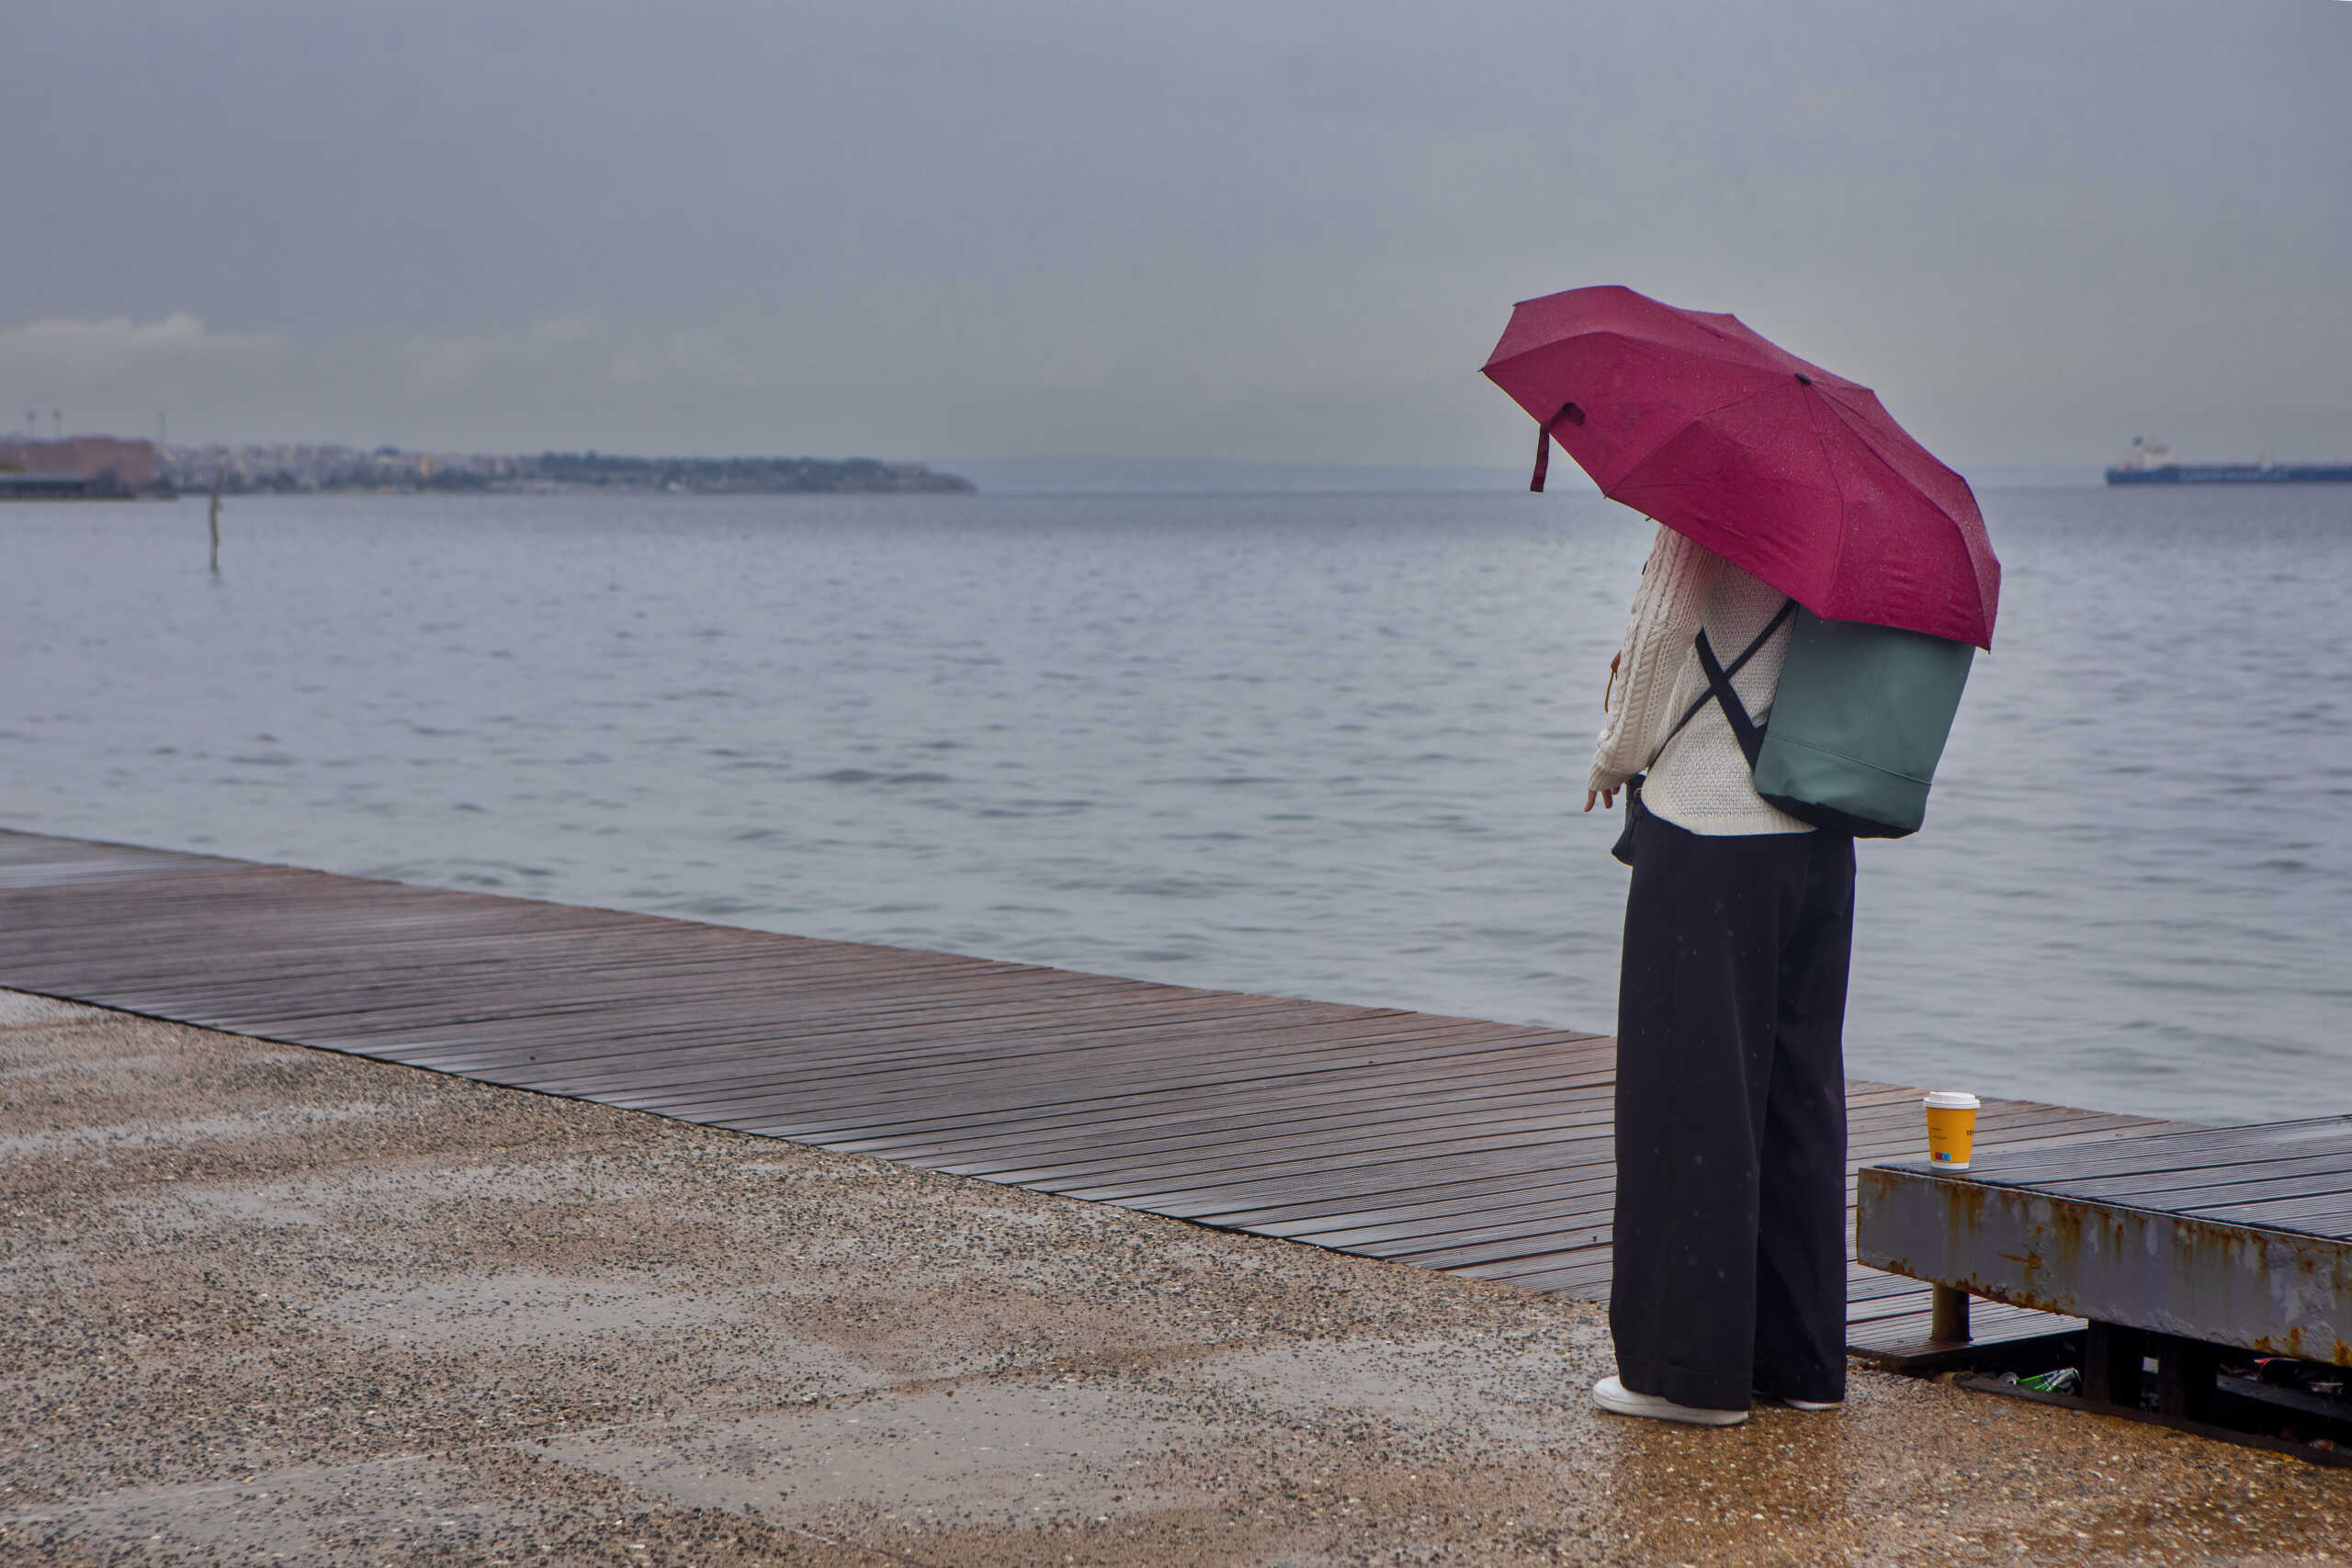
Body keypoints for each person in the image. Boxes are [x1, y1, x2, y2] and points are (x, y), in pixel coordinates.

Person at [1581, 523, 1855, 1427]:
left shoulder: (1706, 508)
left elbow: (1660, 638)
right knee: (1795, 1096)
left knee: (1684, 1098)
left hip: (1708, 827)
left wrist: (1611, 754)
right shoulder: (1850, 528)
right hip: (1818, 835)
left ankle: (1684, 1376)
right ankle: (1801, 1364)